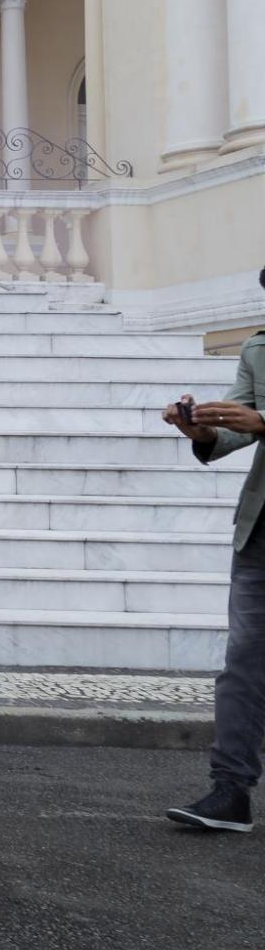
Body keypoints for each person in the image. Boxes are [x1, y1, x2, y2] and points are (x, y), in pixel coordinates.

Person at [164, 270, 265, 834]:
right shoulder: (259, 347)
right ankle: (230, 792)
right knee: (244, 669)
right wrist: (200, 429)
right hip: (260, 530)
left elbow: (260, 421)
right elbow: (241, 428)